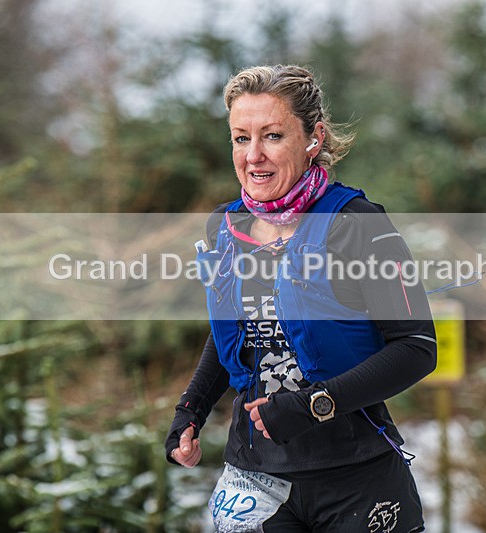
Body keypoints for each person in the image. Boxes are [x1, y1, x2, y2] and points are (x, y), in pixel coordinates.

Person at [165, 64, 437, 533]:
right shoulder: (224, 227)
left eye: (272, 136)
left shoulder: (357, 222)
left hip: (355, 475)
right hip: (253, 477)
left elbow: (416, 348)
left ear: (314, 137)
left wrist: (312, 405)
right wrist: (190, 409)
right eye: (239, 138)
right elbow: (237, 332)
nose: (253, 156)